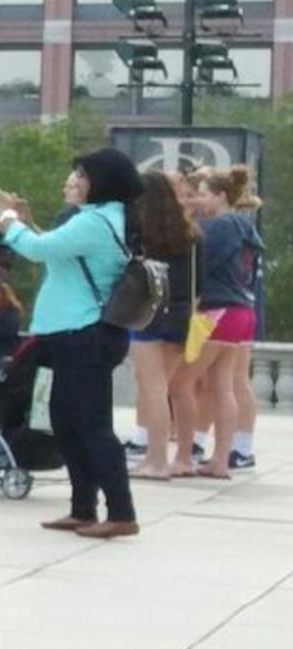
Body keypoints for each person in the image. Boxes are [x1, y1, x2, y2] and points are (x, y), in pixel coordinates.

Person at [0, 150, 145, 537]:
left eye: (82, 174)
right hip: (72, 332)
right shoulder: (104, 218)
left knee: (93, 427)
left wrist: (9, 221)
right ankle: (82, 508)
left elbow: (37, 251)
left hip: (85, 335)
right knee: (66, 422)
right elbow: (61, 252)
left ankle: (121, 512)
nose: (75, 180)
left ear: (103, 181)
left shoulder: (96, 220)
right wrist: (29, 225)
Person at [126, 170, 202, 481]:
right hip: (182, 312)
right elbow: (200, 285)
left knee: (152, 388)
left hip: (148, 311)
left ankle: (155, 458)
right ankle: (181, 454)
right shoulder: (192, 234)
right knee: (171, 387)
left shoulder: (139, 233)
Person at [193, 166, 264, 476]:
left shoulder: (222, 226)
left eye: (203, 193)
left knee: (185, 380)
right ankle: (231, 451)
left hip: (221, 307)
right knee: (227, 384)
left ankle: (192, 445)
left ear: (221, 196)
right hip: (243, 307)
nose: (198, 199)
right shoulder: (245, 226)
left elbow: (202, 264)